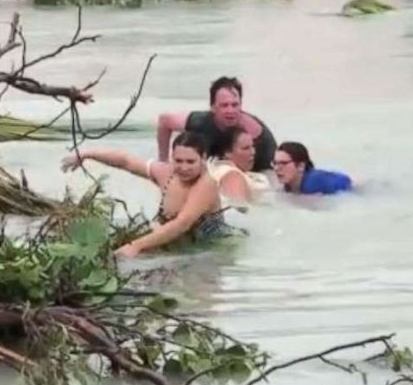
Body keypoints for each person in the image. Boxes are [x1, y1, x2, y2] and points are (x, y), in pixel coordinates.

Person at [61, 132, 231, 257]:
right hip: (175, 242)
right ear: (172, 158)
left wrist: (136, 246)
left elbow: (182, 223)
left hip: (211, 248)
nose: (184, 167)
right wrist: (87, 154)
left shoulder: (208, 183)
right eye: (179, 161)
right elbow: (126, 161)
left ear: (203, 159)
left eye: (190, 161)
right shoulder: (166, 173)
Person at [156, 76, 278, 172]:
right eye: (224, 105)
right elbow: (164, 121)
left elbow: (274, 173)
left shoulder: (256, 137)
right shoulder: (200, 122)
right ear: (213, 107)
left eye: (235, 105)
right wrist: (164, 162)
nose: (231, 111)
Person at [207, 126, 272, 203]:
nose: (253, 152)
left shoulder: (225, 171)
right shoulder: (232, 175)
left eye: (253, 146)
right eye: (246, 148)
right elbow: (238, 210)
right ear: (228, 152)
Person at [273, 142, 353, 195]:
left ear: (301, 166)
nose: (276, 168)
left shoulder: (312, 184)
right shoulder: (288, 185)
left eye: (283, 163)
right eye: (275, 163)